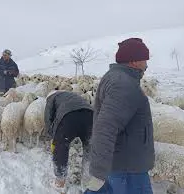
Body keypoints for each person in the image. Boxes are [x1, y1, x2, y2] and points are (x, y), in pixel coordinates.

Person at [85, 38, 155, 194]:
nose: (146, 64)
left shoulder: (117, 78)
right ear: (134, 61)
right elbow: (105, 128)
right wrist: (98, 173)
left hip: (122, 164)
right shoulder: (124, 85)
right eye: (144, 59)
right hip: (128, 170)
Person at [44, 90, 93, 193]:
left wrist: (52, 135)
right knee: (90, 148)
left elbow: (48, 117)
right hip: (90, 116)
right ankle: (87, 180)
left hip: (69, 118)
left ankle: (60, 182)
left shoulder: (51, 98)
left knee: (60, 147)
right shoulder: (72, 95)